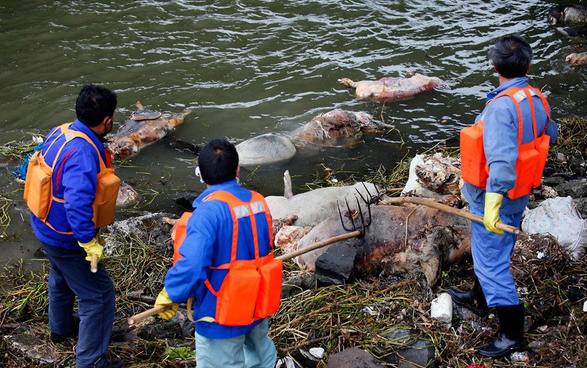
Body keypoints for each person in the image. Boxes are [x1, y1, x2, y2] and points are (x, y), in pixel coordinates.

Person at [452, 35, 558, 358]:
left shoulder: (500, 109)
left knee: (493, 266)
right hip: (519, 196)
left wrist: (492, 207)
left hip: (494, 198)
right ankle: (479, 299)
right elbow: (549, 133)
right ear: (527, 65)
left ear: (496, 66)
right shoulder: (536, 99)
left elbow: (501, 167)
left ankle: (512, 335)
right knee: (490, 256)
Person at [155, 139, 277, 368]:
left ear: (200, 174)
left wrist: (172, 293)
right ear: (237, 170)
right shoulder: (258, 201)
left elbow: (192, 265)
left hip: (222, 310)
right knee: (262, 358)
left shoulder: (207, 213)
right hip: (256, 300)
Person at [28, 84, 123, 368]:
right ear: (107, 121)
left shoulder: (62, 131)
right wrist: (88, 242)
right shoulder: (83, 153)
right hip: (67, 238)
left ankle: (61, 329)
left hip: (45, 227)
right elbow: (77, 203)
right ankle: (91, 362)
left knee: (60, 277)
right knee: (99, 295)